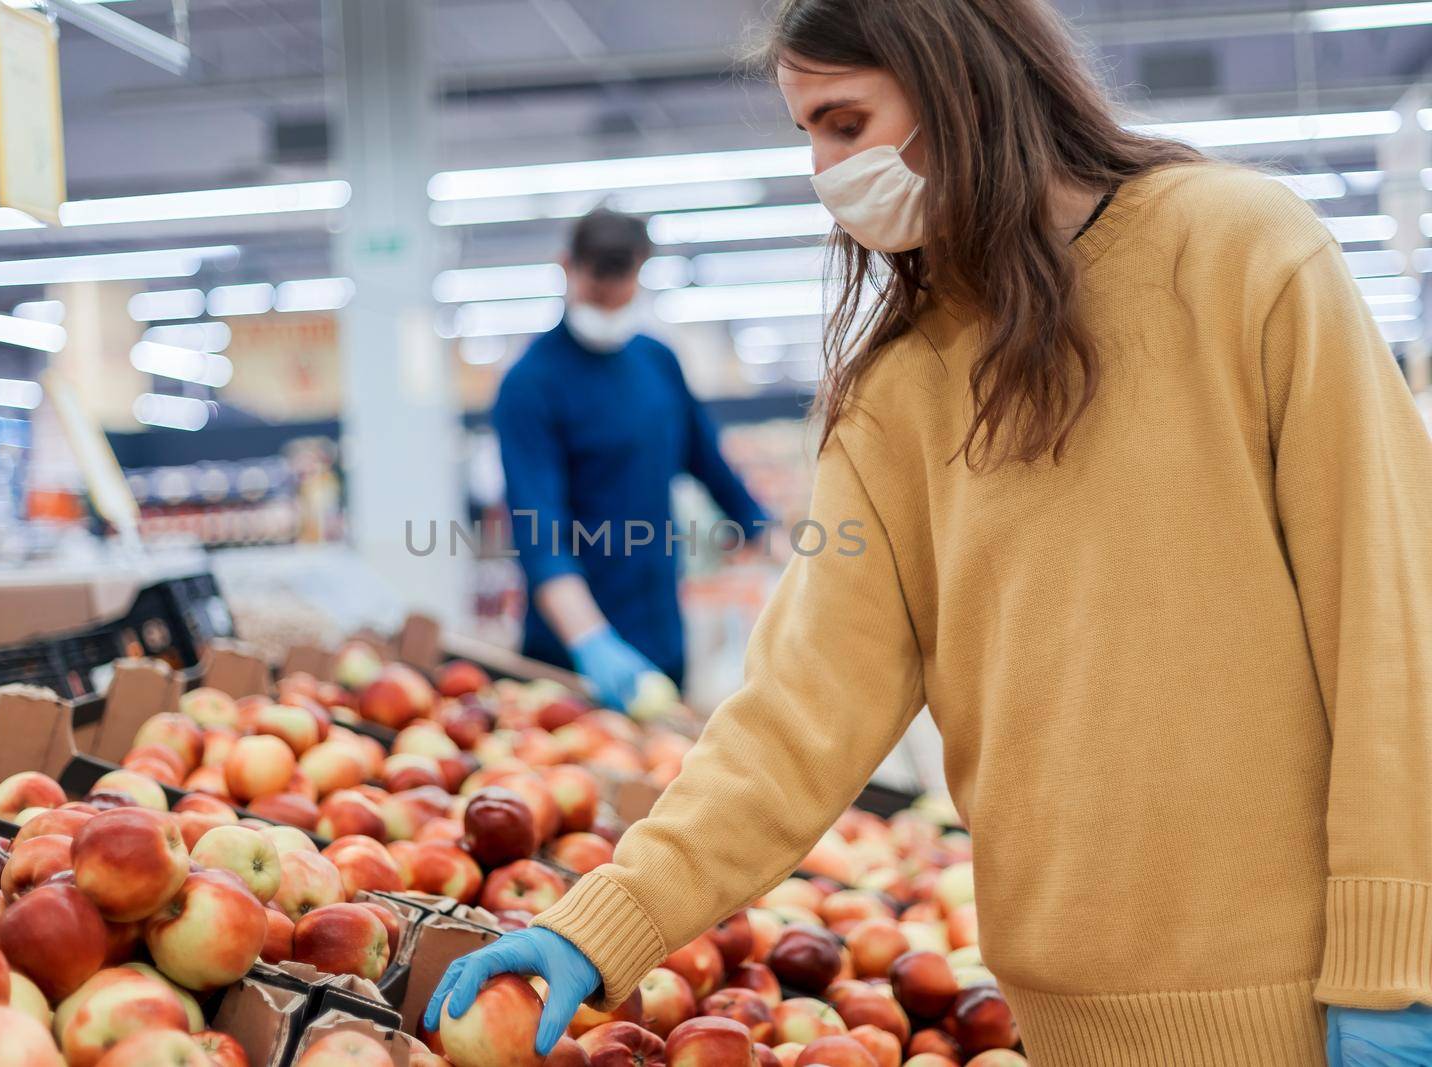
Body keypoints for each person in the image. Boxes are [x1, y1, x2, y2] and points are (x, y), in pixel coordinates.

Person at [428, 0, 1432, 1062]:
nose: (824, 170)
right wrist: (603, 919)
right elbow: (800, 713)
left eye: (845, 123)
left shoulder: (1240, 254)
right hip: (1059, 1020)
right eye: (807, 133)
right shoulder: (897, 391)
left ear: (952, 74)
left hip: (1297, 1004)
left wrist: (1394, 959)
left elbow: (1390, 612)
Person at [490, 209, 770, 711]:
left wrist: (781, 550)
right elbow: (539, 531)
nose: (609, 302)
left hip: (659, 629)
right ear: (566, 267)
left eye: (622, 285)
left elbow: (710, 465)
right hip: (569, 649)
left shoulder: (656, 363)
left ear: (640, 271)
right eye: (596, 288)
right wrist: (589, 641)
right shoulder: (530, 385)